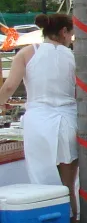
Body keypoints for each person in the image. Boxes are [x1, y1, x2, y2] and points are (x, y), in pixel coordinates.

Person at [0, 14, 77, 200]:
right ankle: (73, 219)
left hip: (39, 121)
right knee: (69, 187)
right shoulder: (73, 56)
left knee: (42, 184)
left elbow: (9, 87)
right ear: (64, 32)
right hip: (69, 119)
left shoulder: (27, 53)